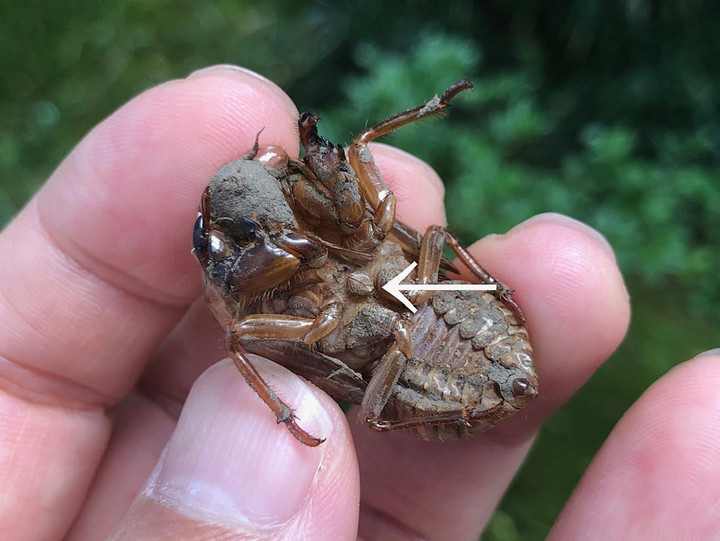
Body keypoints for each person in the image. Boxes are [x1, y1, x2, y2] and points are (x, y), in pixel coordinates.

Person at [0, 64, 717, 540]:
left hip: (443, 313)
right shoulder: (261, 287)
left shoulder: (335, 216)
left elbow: (373, 168)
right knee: (343, 360)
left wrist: (378, 154)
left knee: (422, 229)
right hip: (392, 365)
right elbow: (246, 333)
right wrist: (284, 400)